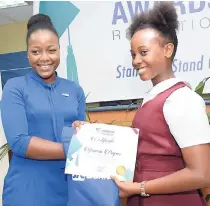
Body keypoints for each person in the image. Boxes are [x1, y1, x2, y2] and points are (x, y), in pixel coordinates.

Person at [73, 2, 210, 206]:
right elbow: (142, 146)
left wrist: (140, 188)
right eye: (133, 54)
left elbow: (202, 173)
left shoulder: (183, 99)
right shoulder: (153, 97)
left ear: (168, 49)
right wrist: (91, 135)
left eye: (143, 52)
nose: (136, 61)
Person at [1, 14, 86, 206]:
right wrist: (72, 150)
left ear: (59, 50)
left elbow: (82, 136)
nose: (44, 58)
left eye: (51, 50)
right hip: (28, 191)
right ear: (27, 53)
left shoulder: (74, 90)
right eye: (36, 52)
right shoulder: (15, 87)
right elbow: (19, 142)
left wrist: (83, 130)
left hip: (68, 190)